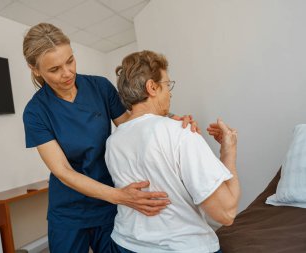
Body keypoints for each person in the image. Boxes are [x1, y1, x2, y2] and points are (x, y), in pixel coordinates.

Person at [22, 23, 199, 253]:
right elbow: (63, 170)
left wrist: (169, 122)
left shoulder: (99, 87)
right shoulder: (36, 111)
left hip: (108, 203)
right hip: (70, 210)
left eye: (70, 61)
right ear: (35, 69)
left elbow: (132, 125)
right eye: (55, 69)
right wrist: (120, 197)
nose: (67, 73)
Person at [105, 50, 240, 253]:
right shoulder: (181, 132)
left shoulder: (112, 142)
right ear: (152, 87)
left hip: (124, 243)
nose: (170, 92)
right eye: (167, 84)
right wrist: (228, 151)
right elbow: (226, 213)